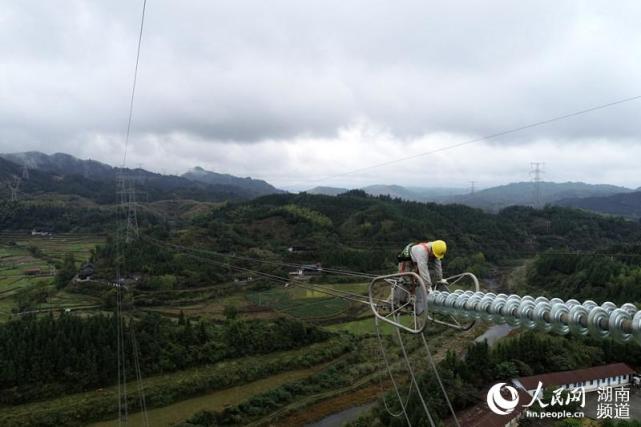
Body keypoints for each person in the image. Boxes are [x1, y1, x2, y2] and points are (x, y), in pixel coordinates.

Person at [391, 240, 448, 314]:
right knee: (406, 279)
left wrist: (440, 279)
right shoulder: (422, 252)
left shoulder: (436, 250)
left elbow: (438, 267)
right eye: (434, 254)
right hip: (406, 259)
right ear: (432, 250)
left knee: (417, 280)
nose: (434, 256)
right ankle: (398, 300)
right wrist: (428, 286)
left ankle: (414, 299)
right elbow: (423, 269)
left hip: (415, 261)